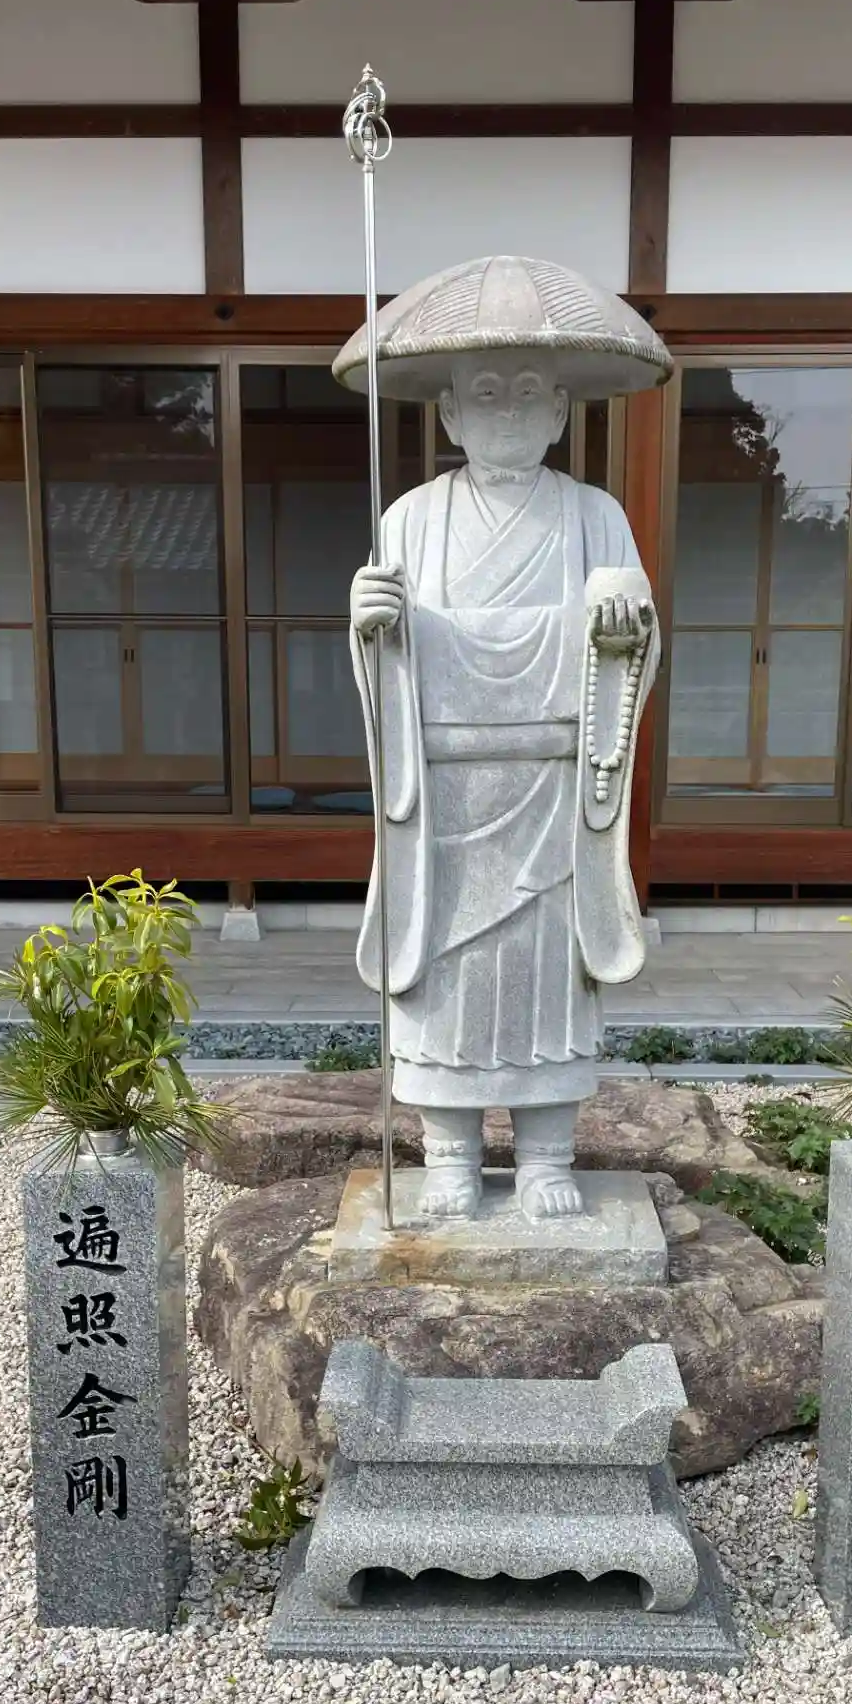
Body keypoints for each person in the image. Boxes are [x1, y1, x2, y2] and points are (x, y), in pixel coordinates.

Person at [335, 256, 671, 1222]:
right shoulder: (409, 520)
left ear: (562, 411)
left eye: (530, 394)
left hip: (553, 788)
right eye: (485, 394)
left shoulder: (595, 516)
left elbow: (634, 639)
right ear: (448, 414)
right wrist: (371, 623)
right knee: (446, 975)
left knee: (547, 979)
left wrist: (620, 625)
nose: (510, 413)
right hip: (444, 795)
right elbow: (385, 653)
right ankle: (447, 1154)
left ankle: (546, 1158)